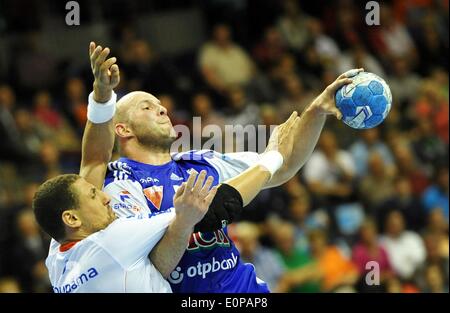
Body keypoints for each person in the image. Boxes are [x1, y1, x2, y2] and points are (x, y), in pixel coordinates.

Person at [86, 42, 362, 292]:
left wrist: (316, 112)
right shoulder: (115, 183)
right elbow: (155, 267)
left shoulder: (199, 161)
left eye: (161, 106)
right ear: (122, 129)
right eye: (146, 107)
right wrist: (102, 97)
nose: (162, 110)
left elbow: (284, 165)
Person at [33, 43, 299, 293]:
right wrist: (273, 157)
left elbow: (93, 161)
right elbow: (211, 208)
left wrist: (102, 97)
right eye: (93, 195)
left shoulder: (57, 262)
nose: (105, 196)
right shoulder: (116, 239)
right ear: (71, 218)